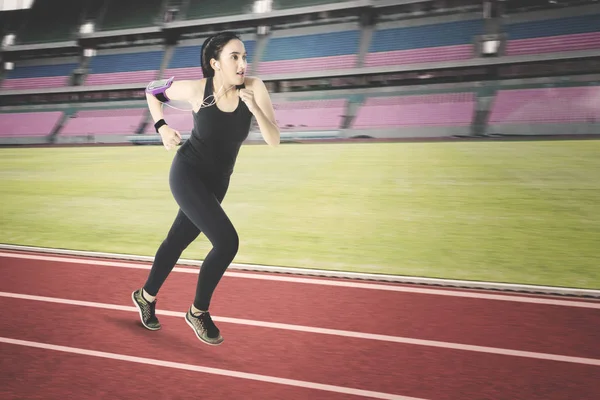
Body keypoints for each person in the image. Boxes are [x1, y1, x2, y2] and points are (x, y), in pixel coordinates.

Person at [132, 31, 280, 346]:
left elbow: (274, 139)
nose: (242, 63)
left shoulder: (255, 87)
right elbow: (152, 89)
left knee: (176, 241)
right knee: (227, 243)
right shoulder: (198, 89)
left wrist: (254, 109)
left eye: (244, 56)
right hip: (187, 173)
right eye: (234, 57)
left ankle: (145, 296)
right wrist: (162, 127)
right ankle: (198, 311)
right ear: (215, 63)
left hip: (217, 181)